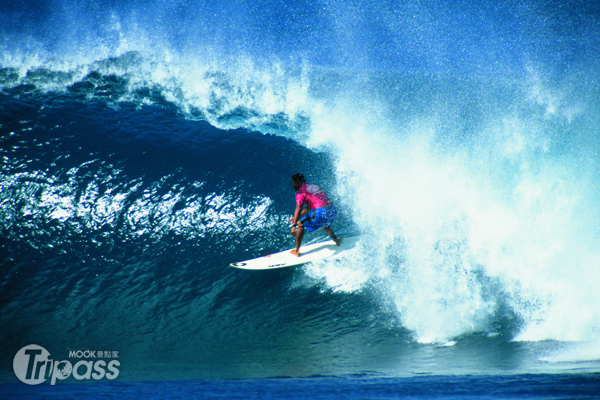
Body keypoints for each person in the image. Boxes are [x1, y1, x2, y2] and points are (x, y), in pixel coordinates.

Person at [289, 173, 341, 256]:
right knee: (325, 224)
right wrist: (296, 217)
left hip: (321, 212)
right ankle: (336, 241)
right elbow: (309, 207)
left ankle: (297, 251)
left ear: (298, 182)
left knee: (301, 223)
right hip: (332, 210)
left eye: (293, 183)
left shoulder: (300, 193)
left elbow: (298, 208)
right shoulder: (313, 186)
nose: (292, 185)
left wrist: (294, 225)